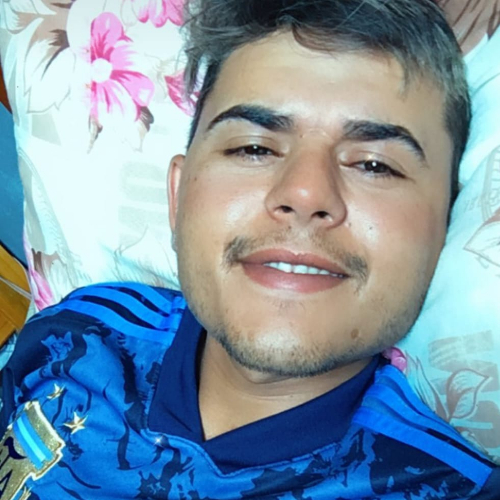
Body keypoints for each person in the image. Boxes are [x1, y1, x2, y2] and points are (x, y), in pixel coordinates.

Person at [0, 0, 499, 498]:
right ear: (178, 196)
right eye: (253, 148)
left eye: (375, 165)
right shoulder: (77, 335)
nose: (305, 193)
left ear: (445, 226)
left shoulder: (447, 485)